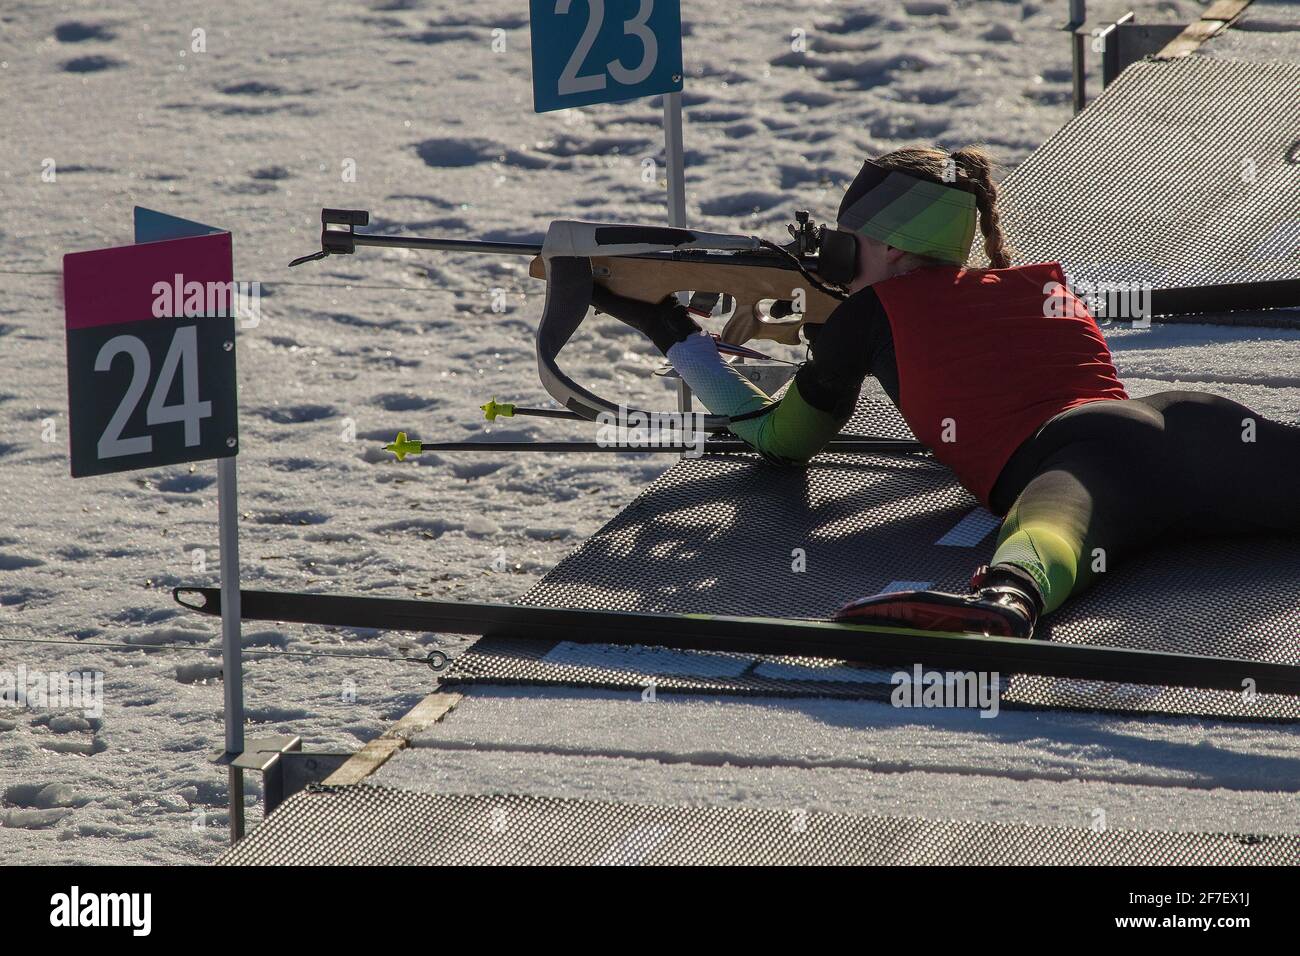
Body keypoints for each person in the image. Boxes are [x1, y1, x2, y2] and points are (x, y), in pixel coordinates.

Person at [591, 145, 1300, 638]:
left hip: (1083, 459)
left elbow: (780, 442)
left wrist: (673, 332)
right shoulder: (1039, 286)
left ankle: (1004, 601)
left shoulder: (873, 314)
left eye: (847, 247)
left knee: (1049, 526)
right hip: (1188, 419)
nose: (837, 266)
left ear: (892, 249)